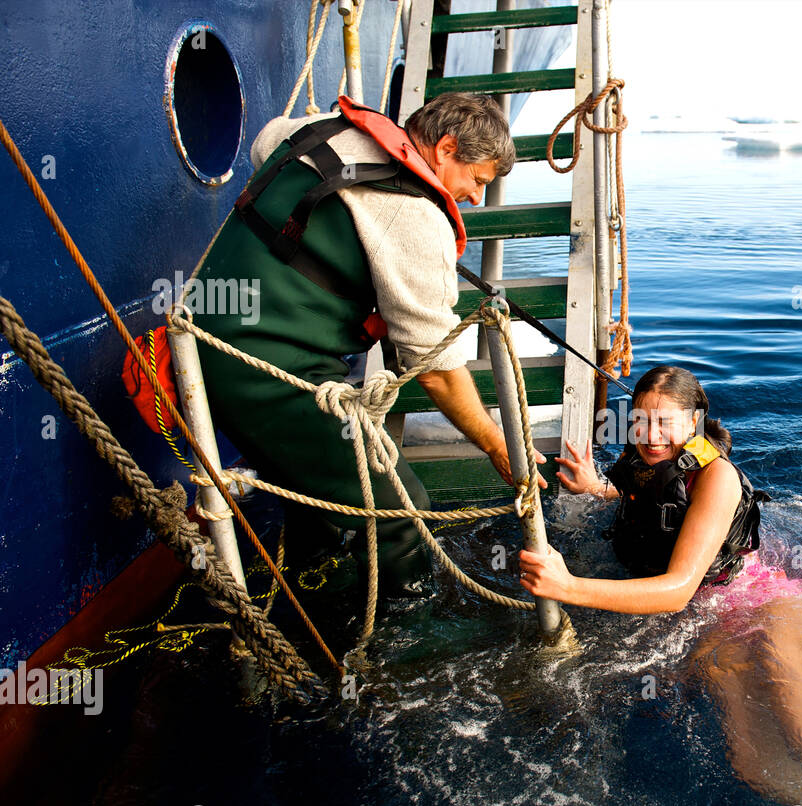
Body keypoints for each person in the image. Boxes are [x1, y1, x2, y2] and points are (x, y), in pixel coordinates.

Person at [520, 365, 802, 806]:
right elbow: (655, 498)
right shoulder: (643, 461)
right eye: (639, 421)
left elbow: (677, 590)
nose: (650, 436)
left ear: (696, 421)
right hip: (712, 621)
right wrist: (595, 489)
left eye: (666, 423)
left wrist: (568, 586)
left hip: (761, 603)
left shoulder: (717, 477)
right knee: (758, 766)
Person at [189, 92, 545, 595]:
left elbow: (264, 144)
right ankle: (398, 645)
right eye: (478, 180)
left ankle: (307, 591)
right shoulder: (417, 219)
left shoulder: (315, 131)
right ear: (445, 149)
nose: (473, 198)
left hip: (200, 336)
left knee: (314, 500)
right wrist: (494, 444)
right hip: (262, 369)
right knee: (401, 511)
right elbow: (437, 370)